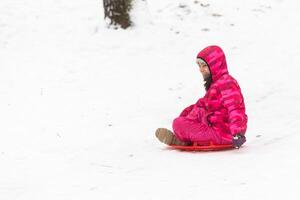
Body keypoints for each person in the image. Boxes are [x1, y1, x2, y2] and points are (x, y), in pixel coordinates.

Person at [155, 45, 248, 149]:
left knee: (178, 124)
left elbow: (236, 109)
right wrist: (188, 113)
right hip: (218, 127)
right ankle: (186, 136)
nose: (201, 69)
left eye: (204, 65)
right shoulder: (218, 83)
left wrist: (237, 133)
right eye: (199, 65)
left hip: (224, 133)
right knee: (193, 113)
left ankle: (183, 140)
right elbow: (204, 104)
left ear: (215, 65)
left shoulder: (227, 83)